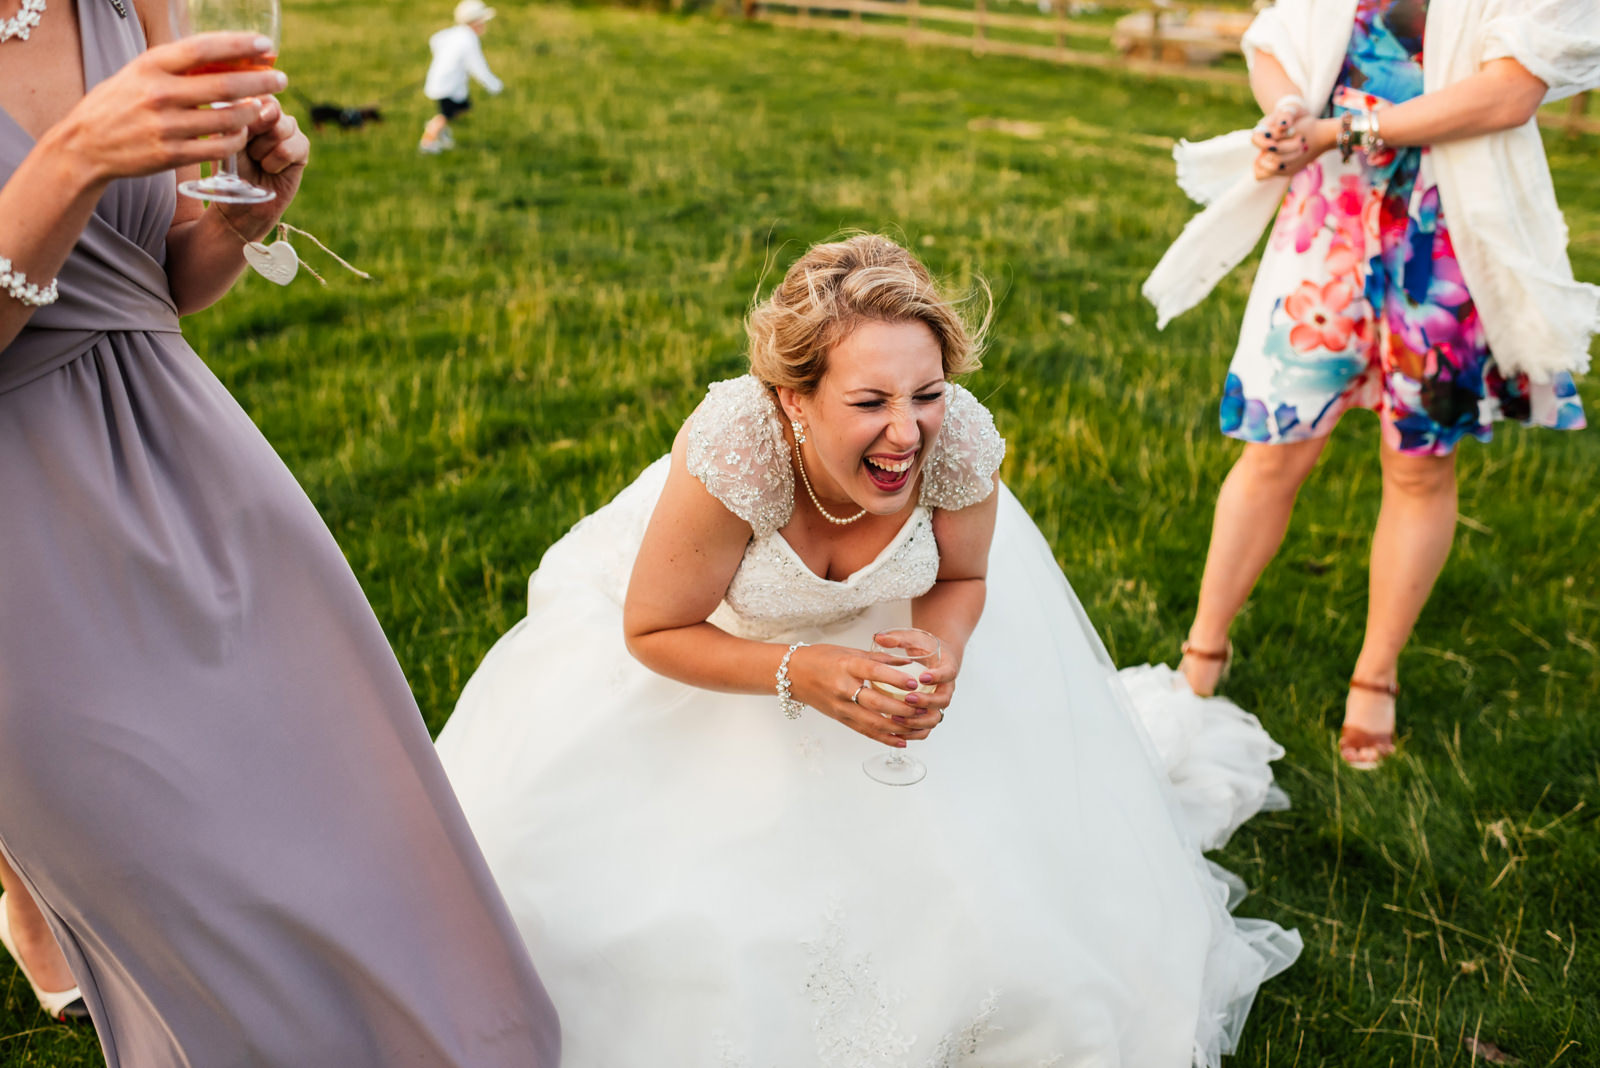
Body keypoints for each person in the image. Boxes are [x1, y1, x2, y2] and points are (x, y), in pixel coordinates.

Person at [436, 234, 1301, 1066]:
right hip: (711, 652)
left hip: (878, 652)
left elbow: (961, 581)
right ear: (794, 400)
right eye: (869, 402)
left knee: (989, 910)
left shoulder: (955, 437)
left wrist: (941, 649)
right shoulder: (734, 452)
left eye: (925, 393)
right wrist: (798, 671)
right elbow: (653, 631)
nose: (906, 433)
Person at [0, 0, 558, 1063]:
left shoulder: (132, 4)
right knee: (202, 928)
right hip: (26, 562)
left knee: (376, 855)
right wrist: (72, 154)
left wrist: (233, 218)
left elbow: (154, 285)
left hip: (201, 476)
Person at [1143, 0, 1598, 768]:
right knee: (1273, 448)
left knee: (1418, 464)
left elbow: (1510, 92)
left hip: (1446, 231)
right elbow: (1273, 42)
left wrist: (1344, 130)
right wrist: (1290, 110)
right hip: (1329, 222)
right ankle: (1202, 654)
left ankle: (1375, 675)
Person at [419, 0, 502, 154]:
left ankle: (440, 132)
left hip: (445, 82)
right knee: (447, 114)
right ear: (475, 23)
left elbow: (435, 40)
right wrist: (493, 84)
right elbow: (478, 66)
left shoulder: (456, 33)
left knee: (462, 107)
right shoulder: (468, 40)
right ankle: (428, 141)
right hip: (447, 86)